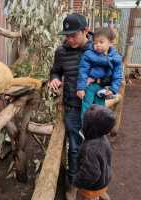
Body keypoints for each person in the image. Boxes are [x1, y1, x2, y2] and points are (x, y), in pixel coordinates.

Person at [49, 13, 92, 200]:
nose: (69, 39)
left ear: (86, 31)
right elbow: (55, 71)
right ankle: (72, 184)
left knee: (93, 146)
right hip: (73, 106)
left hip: (93, 109)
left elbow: (112, 75)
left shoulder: (98, 49)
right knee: (74, 147)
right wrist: (55, 79)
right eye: (67, 35)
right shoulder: (61, 51)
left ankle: (92, 181)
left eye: (73, 35)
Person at [76, 27, 123, 120]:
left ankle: (97, 129)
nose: (97, 45)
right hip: (91, 85)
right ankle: (85, 127)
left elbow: (117, 75)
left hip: (104, 87)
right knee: (87, 106)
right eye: (95, 42)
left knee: (100, 108)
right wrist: (81, 88)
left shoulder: (115, 58)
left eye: (101, 42)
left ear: (110, 43)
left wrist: (113, 89)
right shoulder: (89, 54)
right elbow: (83, 71)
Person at [72, 105, 115, 200]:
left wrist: (76, 181)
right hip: (105, 178)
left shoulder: (90, 149)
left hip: (92, 187)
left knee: (90, 197)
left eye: (85, 122)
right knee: (100, 192)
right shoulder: (103, 138)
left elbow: (91, 174)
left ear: (90, 127)